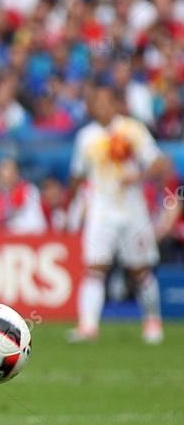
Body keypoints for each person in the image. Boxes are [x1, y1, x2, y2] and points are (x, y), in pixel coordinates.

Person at [67, 85, 169, 344]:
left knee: (140, 270)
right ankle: (88, 326)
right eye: (95, 101)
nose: (100, 106)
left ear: (115, 103)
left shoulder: (133, 130)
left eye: (104, 100)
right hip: (101, 211)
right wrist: (75, 205)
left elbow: (159, 164)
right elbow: (77, 175)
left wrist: (139, 176)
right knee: (94, 267)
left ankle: (152, 320)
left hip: (132, 211)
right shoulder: (86, 137)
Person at [0, 157, 46, 234]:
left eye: (9, 170)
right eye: (0, 171)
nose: (4, 175)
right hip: (0, 239)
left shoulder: (30, 191)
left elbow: (37, 224)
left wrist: (9, 222)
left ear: (17, 173)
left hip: (24, 238)